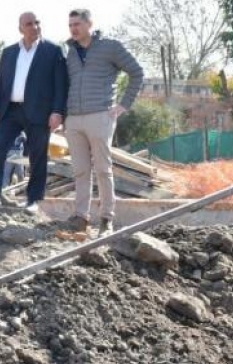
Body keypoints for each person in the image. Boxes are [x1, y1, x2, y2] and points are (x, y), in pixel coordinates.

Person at [0, 12, 67, 215]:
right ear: (20, 29)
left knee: (37, 155)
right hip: (10, 110)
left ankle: (33, 200)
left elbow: (61, 84)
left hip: (39, 112)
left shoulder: (53, 51)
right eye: (29, 24)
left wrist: (58, 111)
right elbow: (0, 83)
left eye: (37, 22)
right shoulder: (9, 52)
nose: (34, 26)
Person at [64, 8, 144, 235]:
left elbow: (137, 73)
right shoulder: (69, 52)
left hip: (100, 115)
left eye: (77, 24)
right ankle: (81, 217)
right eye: (70, 25)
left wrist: (123, 105)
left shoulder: (110, 47)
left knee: (102, 169)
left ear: (90, 24)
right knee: (80, 170)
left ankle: (107, 218)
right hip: (73, 118)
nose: (73, 29)